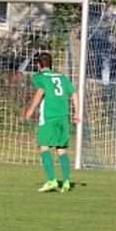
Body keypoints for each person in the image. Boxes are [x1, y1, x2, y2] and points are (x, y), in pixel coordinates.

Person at [24, 52, 80, 193]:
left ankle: (52, 181)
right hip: (63, 116)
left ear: (38, 64)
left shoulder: (39, 77)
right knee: (61, 149)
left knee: (44, 146)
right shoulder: (62, 77)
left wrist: (31, 109)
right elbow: (74, 93)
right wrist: (77, 112)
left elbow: (40, 92)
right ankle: (66, 182)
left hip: (49, 116)